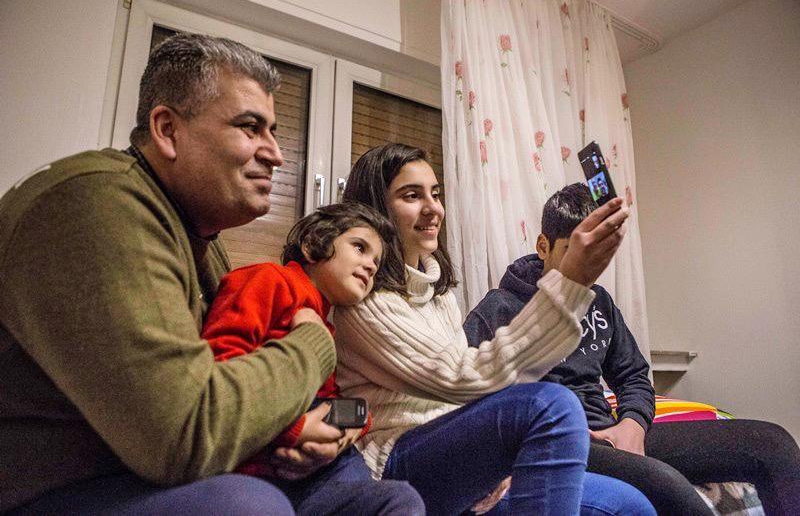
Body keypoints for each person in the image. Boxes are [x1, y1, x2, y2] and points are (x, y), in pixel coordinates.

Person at [0, 33, 422, 515]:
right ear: (167, 129)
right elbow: (186, 433)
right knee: (249, 505)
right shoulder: (96, 202)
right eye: (250, 127)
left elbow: (247, 397)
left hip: (176, 474)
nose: (276, 153)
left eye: (273, 131)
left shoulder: (203, 239)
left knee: (391, 503)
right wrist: (312, 345)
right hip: (61, 489)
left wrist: (335, 428)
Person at [333, 143, 656, 515]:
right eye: (411, 195)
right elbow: (462, 378)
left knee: (632, 507)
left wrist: (492, 458)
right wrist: (571, 285)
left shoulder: (438, 296)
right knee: (553, 404)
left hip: (452, 446)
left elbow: (464, 402)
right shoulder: (363, 300)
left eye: (435, 194)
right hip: (397, 459)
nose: (433, 208)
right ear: (377, 208)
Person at [464, 182, 800, 515]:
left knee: (772, 443)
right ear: (543, 246)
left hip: (615, 433)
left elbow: (634, 376)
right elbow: (465, 406)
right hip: (561, 442)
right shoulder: (498, 309)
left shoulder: (599, 301)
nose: (586, 264)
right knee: (665, 484)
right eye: (573, 250)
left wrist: (633, 425)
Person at [202, 202, 404, 512]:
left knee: (400, 497)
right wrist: (293, 429)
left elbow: (331, 400)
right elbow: (219, 371)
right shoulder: (269, 279)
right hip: (257, 467)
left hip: (313, 472)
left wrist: (352, 426)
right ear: (313, 244)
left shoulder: (323, 325)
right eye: (359, 247)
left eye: (376, 261)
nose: (371, 266)